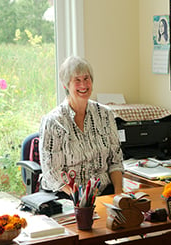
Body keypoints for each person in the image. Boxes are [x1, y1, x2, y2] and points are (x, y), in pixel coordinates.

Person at [39, 55, 124, 197]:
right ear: (66, 85)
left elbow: (115, 161)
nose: (83, 85)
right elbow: (52, 173)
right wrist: (81, 201)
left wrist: (119, 195)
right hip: (67, 195)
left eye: (86, 79)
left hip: (102, 192)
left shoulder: (105, 114)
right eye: (77, 80)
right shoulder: (53, 122)